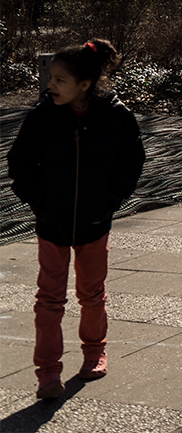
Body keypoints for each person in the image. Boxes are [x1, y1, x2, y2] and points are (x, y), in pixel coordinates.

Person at [7, 39, 145, 400]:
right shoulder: (41, 118)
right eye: (50, 77)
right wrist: (39, 201)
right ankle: (48, 373)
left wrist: (110, 201)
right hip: (51, 224)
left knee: (92, 294)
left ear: (85, 84)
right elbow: (19, 165)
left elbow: (131, 165)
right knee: (49, 300)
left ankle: (95, 351)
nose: (50, 85)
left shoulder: (117, 117)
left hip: (94, 224)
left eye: (59, 79)